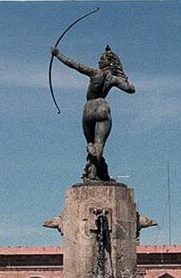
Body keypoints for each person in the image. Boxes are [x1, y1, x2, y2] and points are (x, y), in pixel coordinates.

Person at [50, 45, 135, 182]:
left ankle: (91, 155)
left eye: (102, 59)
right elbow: (131, 89)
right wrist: (122, 74)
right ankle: (93, 174)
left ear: (109, 62)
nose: (99, 61)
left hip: (89, 108)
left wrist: (58, 54)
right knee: (99, 143)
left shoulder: (95, 73)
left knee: (92, 142)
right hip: (102, 108)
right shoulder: (113, 79)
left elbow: (75, 65)